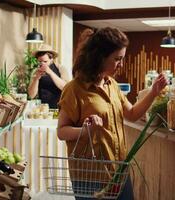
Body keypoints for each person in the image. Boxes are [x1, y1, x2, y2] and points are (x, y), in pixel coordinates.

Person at [57, 27, 168, 200]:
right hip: (90, 177)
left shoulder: (112, 84)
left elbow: (131, 113)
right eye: (117, 59)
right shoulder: (74, 89)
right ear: (99, 58)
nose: (121, 64)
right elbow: (61, 131)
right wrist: (86, 131)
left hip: (119, 171)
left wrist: (153, 92)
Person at [28, 44, 71, 108]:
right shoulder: (35, 72)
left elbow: (66, 88)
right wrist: (36, 79)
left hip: (60, 107)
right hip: (42, 109)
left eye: (45, 61)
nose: (42, 64)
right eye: (40, 61)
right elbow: (31, 95)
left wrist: (50, 72)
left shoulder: (61, 69)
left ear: (52, 59)